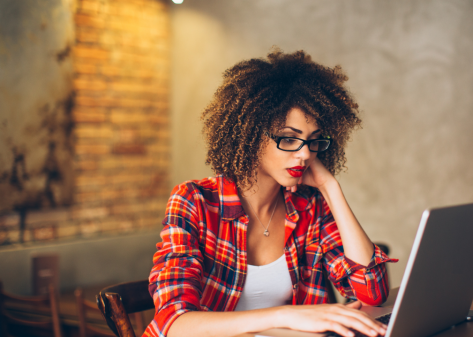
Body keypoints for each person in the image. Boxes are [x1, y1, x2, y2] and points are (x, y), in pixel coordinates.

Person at [143, 49, 397, 337]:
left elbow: (372, 292)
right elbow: (174, 325)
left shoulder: (308, 206)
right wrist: (288, 315)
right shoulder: (194, 201)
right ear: (250, 136)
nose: (304, 154)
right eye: (289, 139)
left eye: (313, 141)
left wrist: (331, 188)